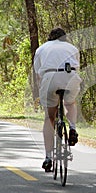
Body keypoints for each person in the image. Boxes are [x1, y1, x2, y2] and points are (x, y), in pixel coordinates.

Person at [33, 27, 82, 172]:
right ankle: (72, 128)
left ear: (50, 38)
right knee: (70, 103)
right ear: (64, 38)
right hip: (70, 76)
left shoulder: (41, 49)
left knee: (50, 118)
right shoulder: (72, 48)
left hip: (50, 78)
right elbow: (76, 67)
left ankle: (48, 157)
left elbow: (38, 75)